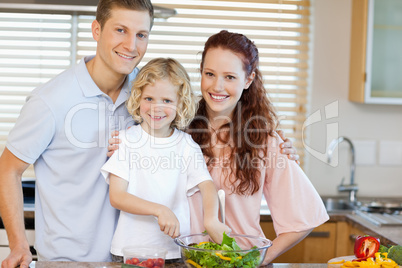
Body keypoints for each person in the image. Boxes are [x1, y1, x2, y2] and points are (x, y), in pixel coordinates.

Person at [0, 0, 154, 267]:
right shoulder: (51, 101)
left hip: (134, 258)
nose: (132, 45)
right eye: (120, 30)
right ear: (97, 30)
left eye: (141, 34)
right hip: (66, 262)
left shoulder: (150, 96)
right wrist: (19, 245)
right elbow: (8, 170)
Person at [186, 30, 329, 264]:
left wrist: (260, 259)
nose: (217, 86)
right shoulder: (178, 132)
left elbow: (306, 215)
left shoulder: (265, 143)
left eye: (230, 77)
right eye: (209, 74)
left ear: (248, 79)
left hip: (241, 262)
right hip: (187, 261)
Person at [100, 57, 230, 262]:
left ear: (181, 104)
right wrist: (160, 210)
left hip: (174, 252)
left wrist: (211, 219)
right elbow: (117, 197)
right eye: (149, 98)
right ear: (138, 98)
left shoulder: (187, 145)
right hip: (128, 251)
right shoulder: (125, 140)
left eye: (167, 101)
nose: (156, 108)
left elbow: (207, 186)